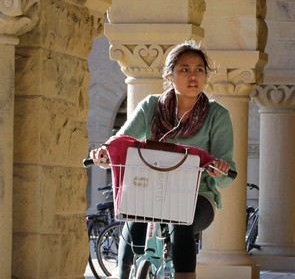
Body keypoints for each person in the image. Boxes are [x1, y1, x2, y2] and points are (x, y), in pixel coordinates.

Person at [91, 40, 234, 279]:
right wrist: (105, 152)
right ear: (169, 76)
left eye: (199, 69)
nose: (193, 76)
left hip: (197, 198)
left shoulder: (217, 115)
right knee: (132, 218)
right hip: (150, 193)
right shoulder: (151, 106)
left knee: (182, 220)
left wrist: (220, 168)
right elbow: (122, 139)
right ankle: (123, 274)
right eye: (184, 69)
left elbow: (227, 176)